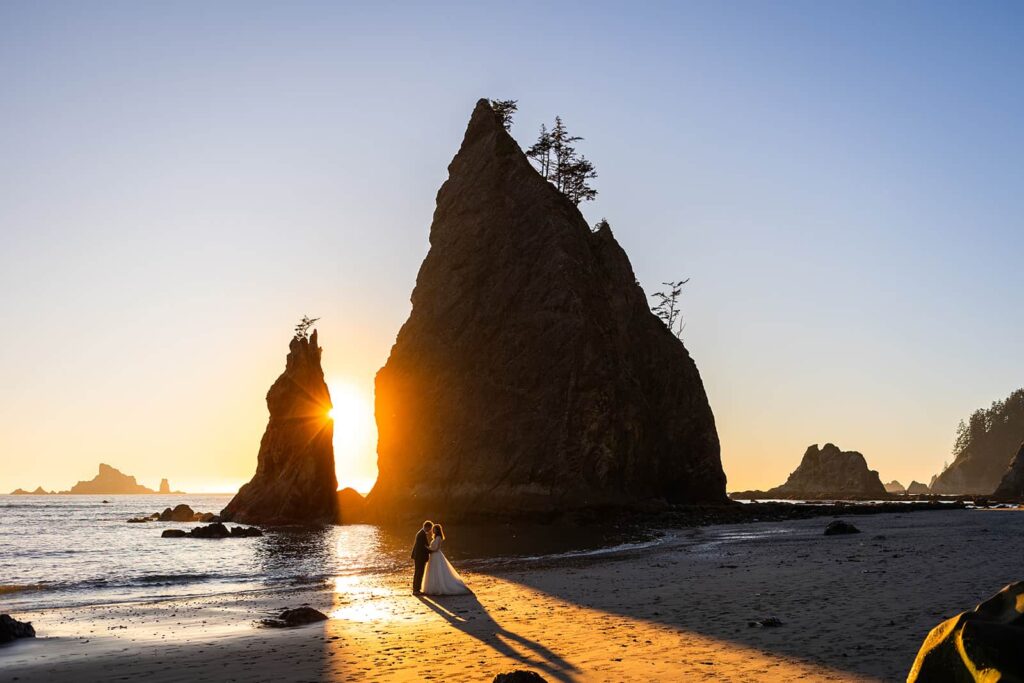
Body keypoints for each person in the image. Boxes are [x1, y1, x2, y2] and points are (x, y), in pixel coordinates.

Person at [421, 523, 471, 595]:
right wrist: (429, 549)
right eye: (433, 529)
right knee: (433, 571)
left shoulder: (438, 538)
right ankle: (434, 586)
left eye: (434, 529)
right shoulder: (435, 538)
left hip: (436, 555)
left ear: (438, 530)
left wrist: (428, 548)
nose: (433, 530)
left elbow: (436, 549)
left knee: (437, 571)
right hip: (433, 556)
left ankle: (439, 587)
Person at [411, 520, 433, 595]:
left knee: (418, 572)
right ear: (427, 527)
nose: (430, 530)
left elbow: (423, 546)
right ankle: (416, 590)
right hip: (419, 557)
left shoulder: (421, 533)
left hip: (418, 556)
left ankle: (416, 589)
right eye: (430, 528)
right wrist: (431, 551)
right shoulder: (422, 534)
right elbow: (423, 547)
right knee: (419, 572)